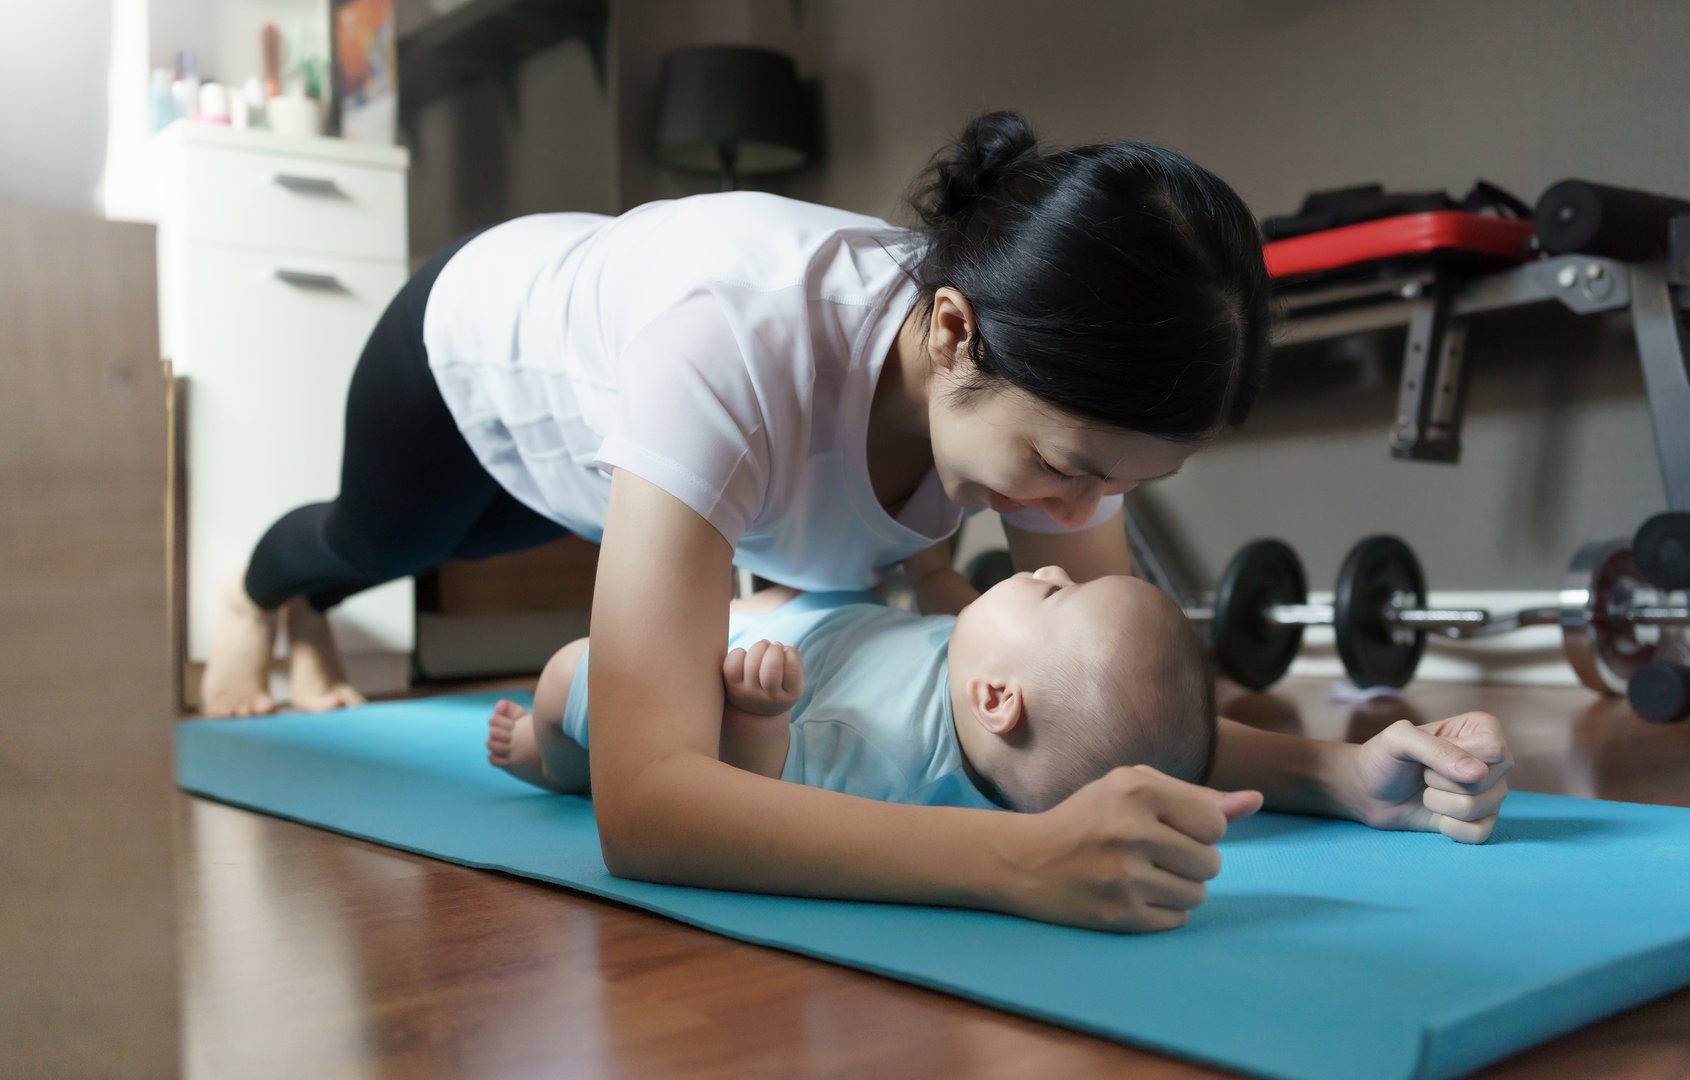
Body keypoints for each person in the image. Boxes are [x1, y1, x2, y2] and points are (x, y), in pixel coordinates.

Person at [202, 110, 1513, 932]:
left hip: (637, 453)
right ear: (954, 335)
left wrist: (1340, 774)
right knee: (383, 546)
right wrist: (1017, 871)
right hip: (473, 363)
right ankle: (265, 597)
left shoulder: (1035, 423)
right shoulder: (730, 347)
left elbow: (1091, 710)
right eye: (1062, 468)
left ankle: (304, 623)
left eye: (1118, 488)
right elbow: (646, 803)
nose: (1073, 520)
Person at [487, 567, 1217, 821]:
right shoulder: (983, 668)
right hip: (819, 622)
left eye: (1058, 593)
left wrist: (760, 713)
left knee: (566, 674)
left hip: (743, 676)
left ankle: (554, 762)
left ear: (997, 699)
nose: (1051, 566)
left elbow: (760, 788)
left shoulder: (888, 760)